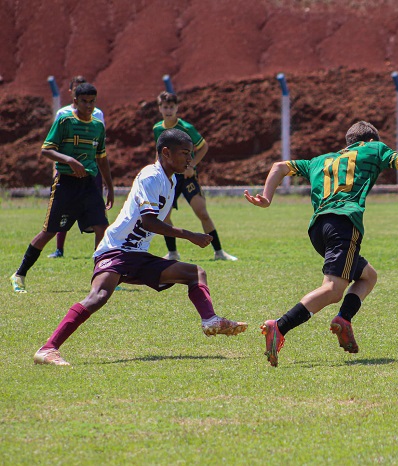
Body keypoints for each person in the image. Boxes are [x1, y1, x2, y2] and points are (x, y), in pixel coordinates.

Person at [33, 129, 248, 366]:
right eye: (185, 153)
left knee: (195, 273)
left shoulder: (172, 180)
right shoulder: (150, 176)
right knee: (99, 296)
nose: (189, 159)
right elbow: (148, 221)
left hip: (137, 255)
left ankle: (210, 319)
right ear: (166, 153)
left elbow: (159, 220)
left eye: (191, 154)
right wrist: (189, 236)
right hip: (115, 249)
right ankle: (48, 348)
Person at [245, 121, 398, 367]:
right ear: (371, 140)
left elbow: (279, 166)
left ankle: (344, 319)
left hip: (318, 229)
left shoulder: (318, 160)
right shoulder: (375, 149)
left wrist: (267, 198)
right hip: (344, 224)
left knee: (368, 276)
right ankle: (279, 326)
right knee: (333, 289)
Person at [10, 83, 114, 293]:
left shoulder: (97, 126)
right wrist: (70, 160)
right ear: (75, 101)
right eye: (84, 101)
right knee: (49, 232)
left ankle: (100, 278)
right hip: (66, 183)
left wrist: (109, 186)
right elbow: (46, 149)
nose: (88, 105)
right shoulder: (64, 121)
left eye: (92, 101)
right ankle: (19, 274)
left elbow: (102, 158)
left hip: (89, 185)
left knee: (102, 228)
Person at [153, 91, 237, 261]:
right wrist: (156, 171)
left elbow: (203, 147)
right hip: (169, 178)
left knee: (202, 212)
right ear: (159, 108)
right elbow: (159, 152)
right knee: (165, 216)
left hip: (187, 177)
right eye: (165, 107)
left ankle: (219, 252)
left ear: (177, 108)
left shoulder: (186, 127)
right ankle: (173, 253)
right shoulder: (157, 128)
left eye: (171, 106)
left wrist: (191, 165)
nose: (168, 110)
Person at [48, 75, 107, 259]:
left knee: (100, 221)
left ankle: (100, 262)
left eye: (91, 100)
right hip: (67, 174)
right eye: (78, 90)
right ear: (73, 94)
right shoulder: (63, 115)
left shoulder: (97, 116)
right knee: (59, 218)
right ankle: (59, 249)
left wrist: (105, 180)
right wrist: (58, 167)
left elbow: (99, 146)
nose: (88, 104)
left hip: (90, 171)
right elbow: (52, 146)